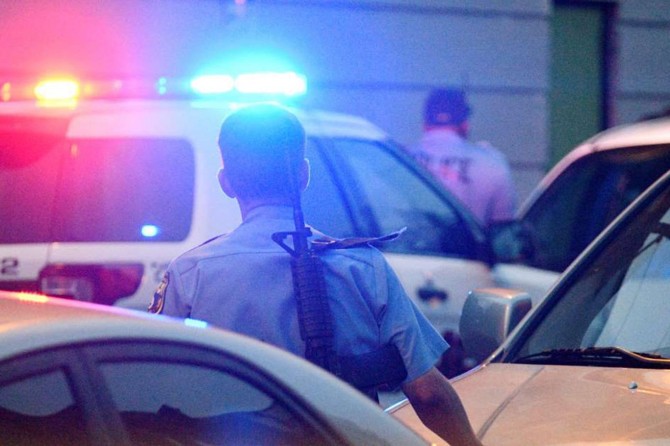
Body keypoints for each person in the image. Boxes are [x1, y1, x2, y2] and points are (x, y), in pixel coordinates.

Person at [149, 104, 483, 446]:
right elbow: (428, 394)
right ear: (304, 175)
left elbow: (154, 384)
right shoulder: (364, 267)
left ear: (226, 183)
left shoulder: (190, 273)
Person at [408, 88, 517, 227]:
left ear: (425, 124)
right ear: (465, 125)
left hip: (407, 241)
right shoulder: (492, 164)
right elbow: (503, 227)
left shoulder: (399, 161)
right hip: (469, 241)